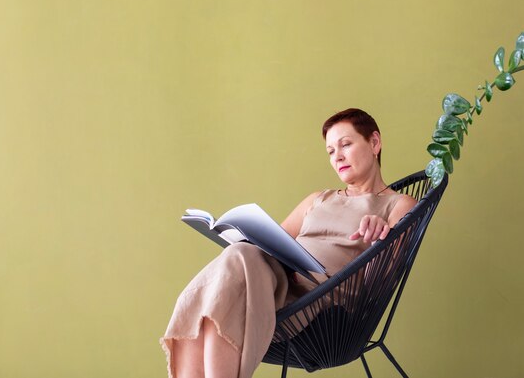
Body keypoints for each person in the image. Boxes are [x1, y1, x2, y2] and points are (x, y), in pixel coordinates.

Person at [159, 108, 417, 378]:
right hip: (281, 283)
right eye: (330, 151)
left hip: (322, 301)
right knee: (240, 258)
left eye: (346, 144)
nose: (337, 156)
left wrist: (380, 239)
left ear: (374, 143)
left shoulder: (399, 205)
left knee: (228, 280)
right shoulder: (319, 198)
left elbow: (378, 283)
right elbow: (271, 243)